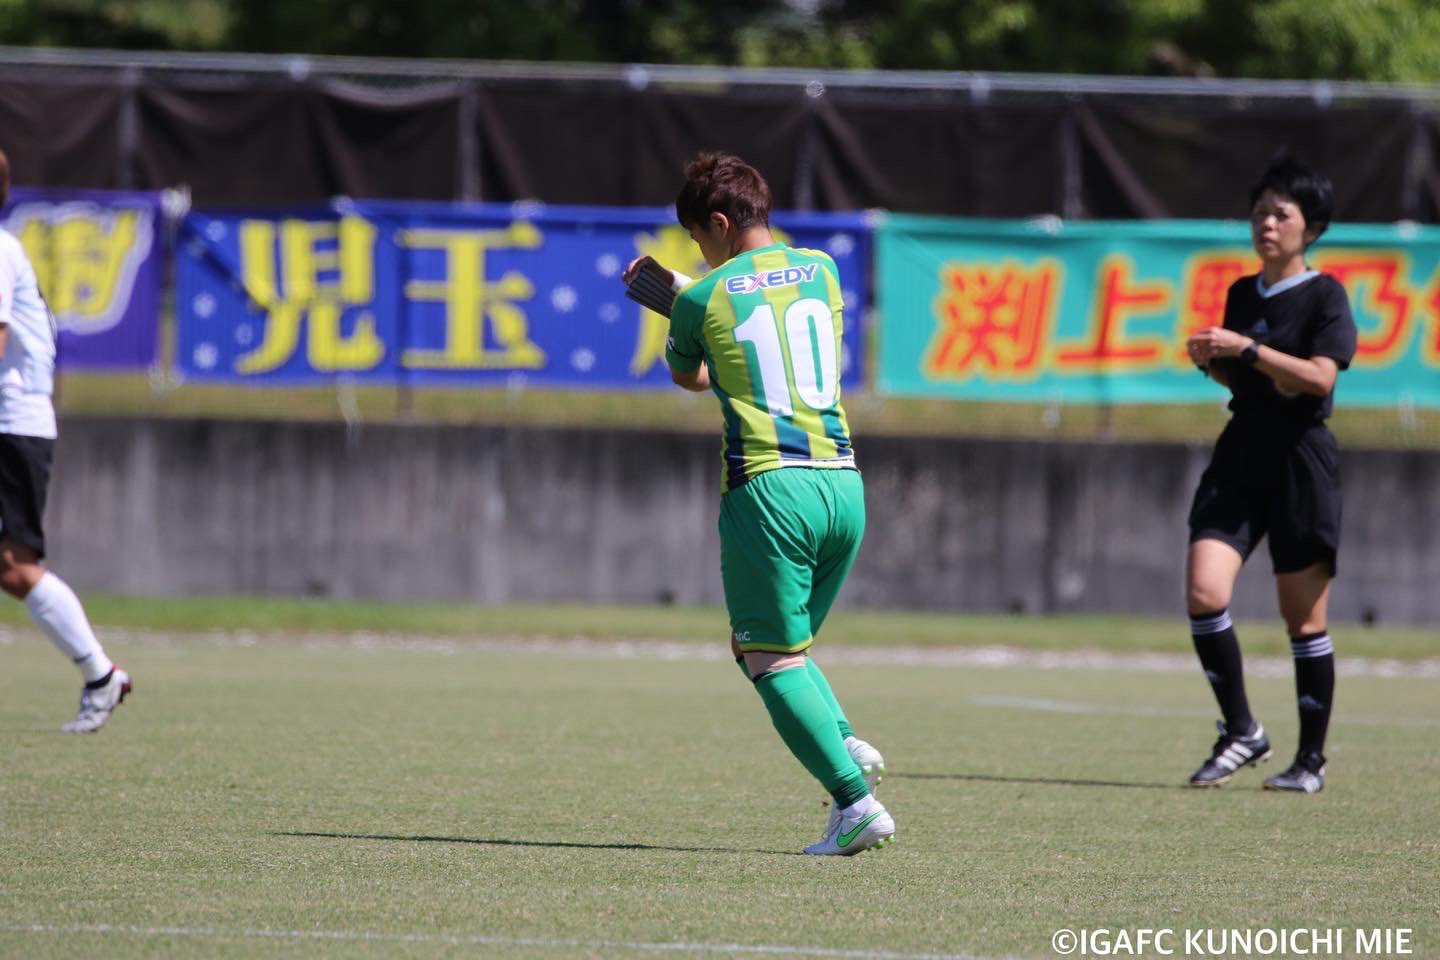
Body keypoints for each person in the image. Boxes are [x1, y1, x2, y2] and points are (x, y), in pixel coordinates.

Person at [623, 152, 893, 854]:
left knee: (769, 659)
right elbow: (767, 321)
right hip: (843, 484)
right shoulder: (824, 270)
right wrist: (697, 291)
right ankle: (840, 741)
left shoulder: (701, 299)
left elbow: (695, 374)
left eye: (697, 238)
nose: (697, 252)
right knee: (774, 647)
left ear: (717, 223)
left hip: (771, 490)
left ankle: (853, 801)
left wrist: (678, 297)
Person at [1183, 151, 1356, 794]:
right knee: (1205, 592)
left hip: (1300, 461)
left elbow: (1319, 377)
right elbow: (1249, 375)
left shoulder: (1325, 295)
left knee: (1302, 620)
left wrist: (1247, 348)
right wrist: (1215, 361)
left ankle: (1310, 762)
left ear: (1310, 228)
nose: (1266, 223)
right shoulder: (1241, 291)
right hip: (1241, 453)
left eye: (1280, 213)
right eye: (1259, 211)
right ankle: (1241, 731)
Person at [0, 148, 132, 732]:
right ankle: (101, 675)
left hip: (13, 424)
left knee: (14, 566)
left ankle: (101, 675)